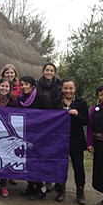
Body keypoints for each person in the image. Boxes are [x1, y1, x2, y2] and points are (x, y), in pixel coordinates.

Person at [53, 77, 89, 205]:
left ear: (75, 89)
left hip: (76, 140)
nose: (68, 91)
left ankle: (80, 192)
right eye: (65, 88)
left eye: (71, 88)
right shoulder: (56, 102)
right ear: (61, 89)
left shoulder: (81, 102)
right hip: (59, 140)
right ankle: (60, 191)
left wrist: (77, 115)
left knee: (78, 167)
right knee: (60, 166)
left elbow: (86, 120)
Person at [18, 76, 52, 200]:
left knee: (36, 162)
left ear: (33, 85)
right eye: (22, 85)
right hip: (25, 135)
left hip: (39, 136)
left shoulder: (41, 98)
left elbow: (50, 116)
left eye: (27, 84)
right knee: (27, 162)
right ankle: (30, 185)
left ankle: (41, 189)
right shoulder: (21, 99)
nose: (24, 87)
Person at [36, 62, 61, 192]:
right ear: (43, 71)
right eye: (47, 70)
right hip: (41, 122)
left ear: (54, 72)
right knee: (41, 152)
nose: (49, 73)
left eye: (51, 71)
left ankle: (52, 179)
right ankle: (42, 179)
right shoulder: (37, 85)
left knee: (53, 152)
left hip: (55, 122)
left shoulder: (59, 85)